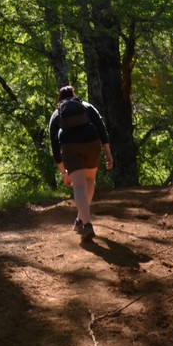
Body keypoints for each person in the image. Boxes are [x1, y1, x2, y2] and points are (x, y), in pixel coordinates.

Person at [49, 84, 112, 241]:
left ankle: (87, 225)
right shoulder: (87, 106)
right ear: (74, 95)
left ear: (59, 99)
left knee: (78, 185)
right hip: (92, 143)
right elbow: (101, 129)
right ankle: (80, 220)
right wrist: (108, 154)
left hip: (70, 147)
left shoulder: (57, 114)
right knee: (89, 180)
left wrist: (63, 172)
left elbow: (54, 146)